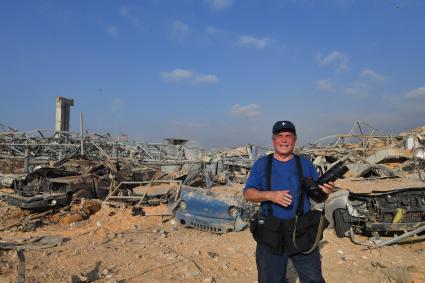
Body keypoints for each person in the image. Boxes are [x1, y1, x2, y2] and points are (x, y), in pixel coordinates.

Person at [243, 120, 335, 283]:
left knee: (313, 279)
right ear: (273, 140)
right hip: (271, 231)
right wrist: (270, 195)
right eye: (280, 136)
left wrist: (325, 192)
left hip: (302, 231)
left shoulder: (306, 165)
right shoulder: (262, 164)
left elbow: (317, 197)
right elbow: (248, 194)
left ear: (294, 140)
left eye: (288, 136)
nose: (284, 140)